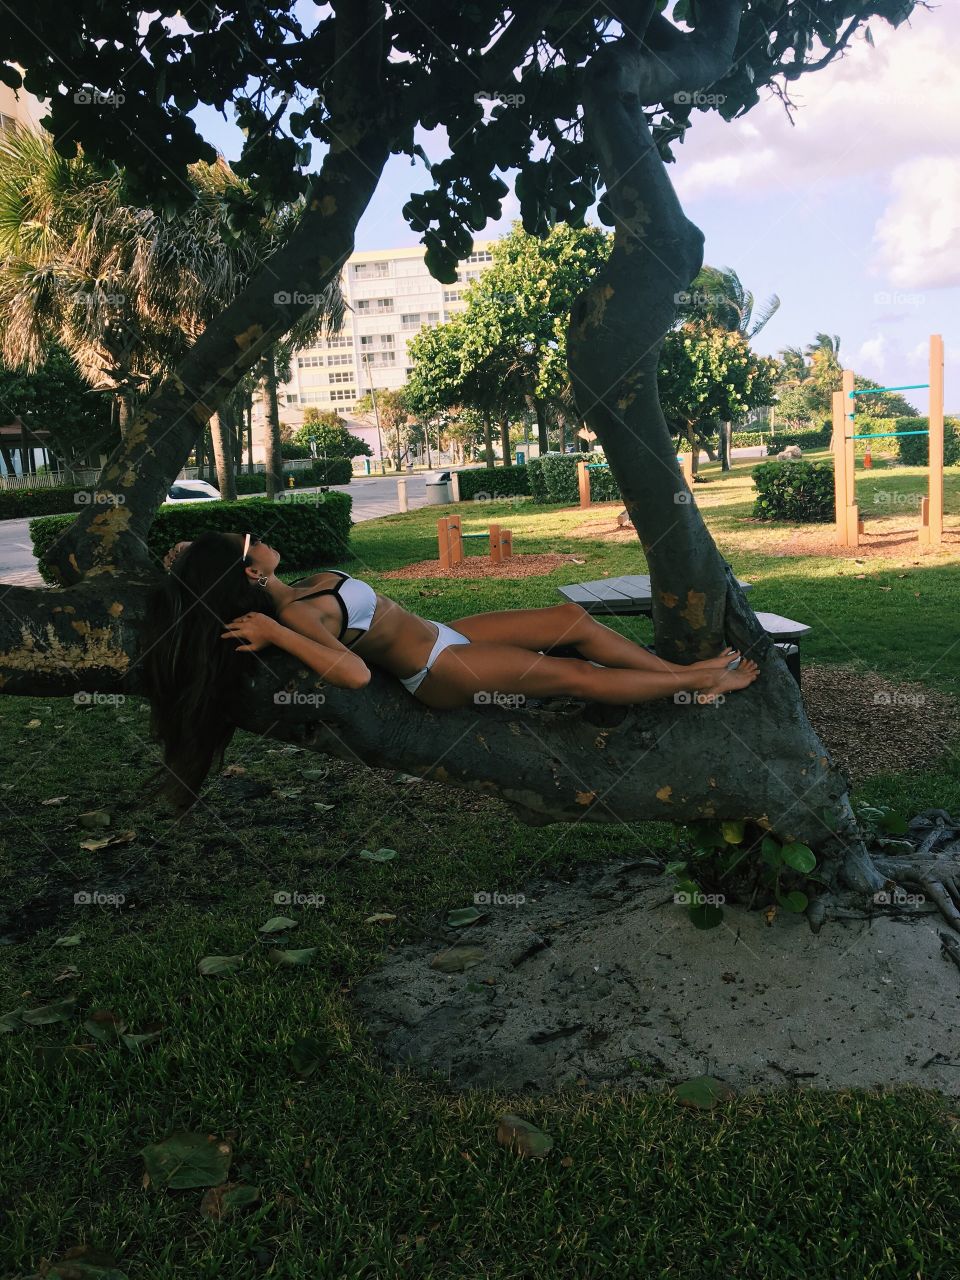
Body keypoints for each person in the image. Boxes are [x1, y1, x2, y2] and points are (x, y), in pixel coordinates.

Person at [142, 531, 758, 808]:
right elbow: (353, 675)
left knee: (573, 623)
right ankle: (698, 680)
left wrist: (189, 561)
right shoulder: (299, 615)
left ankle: (674, 676)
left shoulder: (292, 586)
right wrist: (274, 631)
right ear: (253, 572)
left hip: (443, 635)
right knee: (573, 675)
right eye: (249, 544)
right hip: (436, 669)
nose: (260, 539)